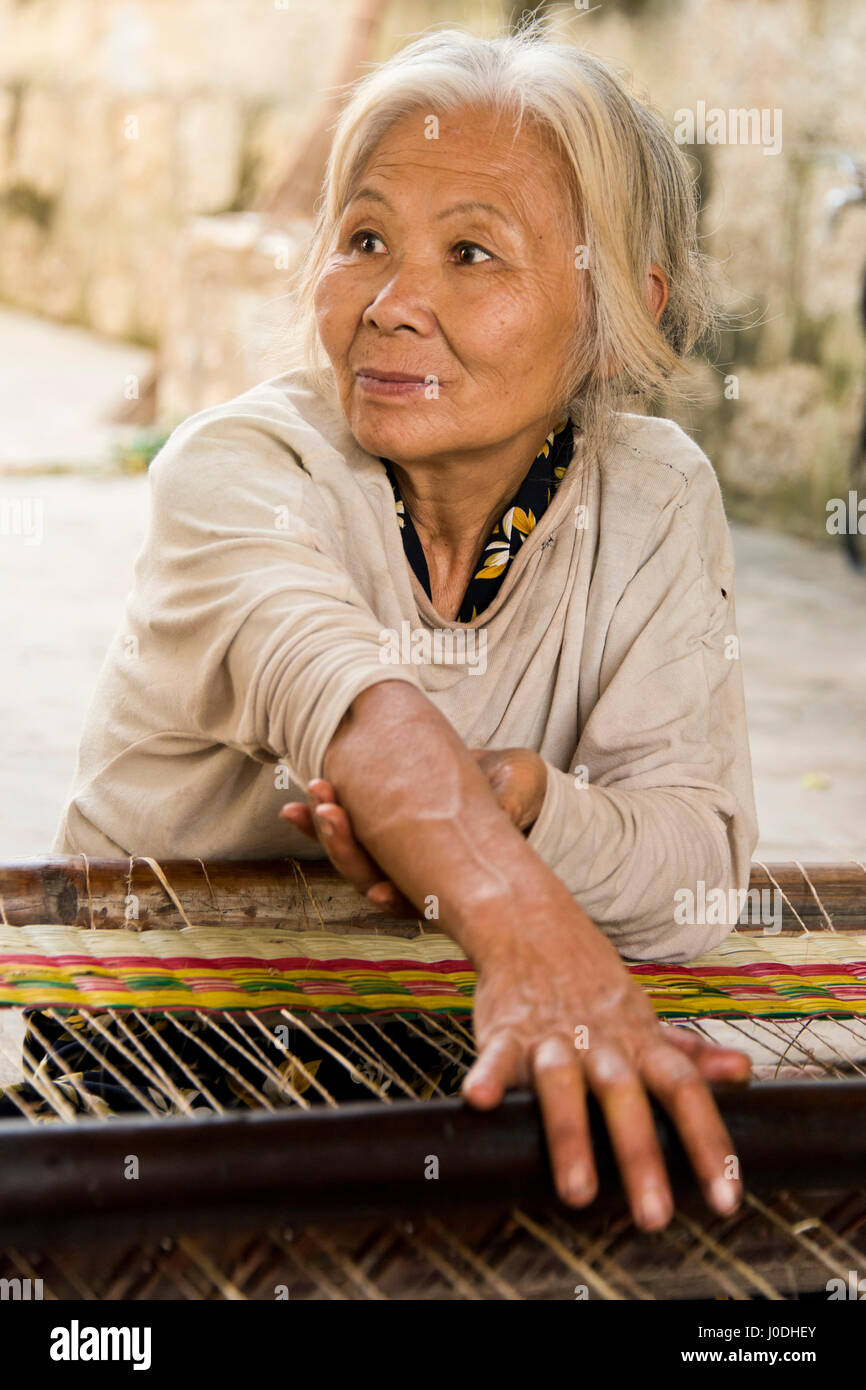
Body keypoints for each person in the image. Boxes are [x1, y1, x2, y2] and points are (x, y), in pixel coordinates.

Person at [51, 29, 759, 1231]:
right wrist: (527, 917)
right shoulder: (239, 469)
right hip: (169, 1062)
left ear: (617, 301)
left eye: (470, 252)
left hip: (454, 1058)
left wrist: (531, 811)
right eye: (364, 239)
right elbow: (358, 712)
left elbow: (695, 874)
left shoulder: (653, 496)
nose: (391, 305)